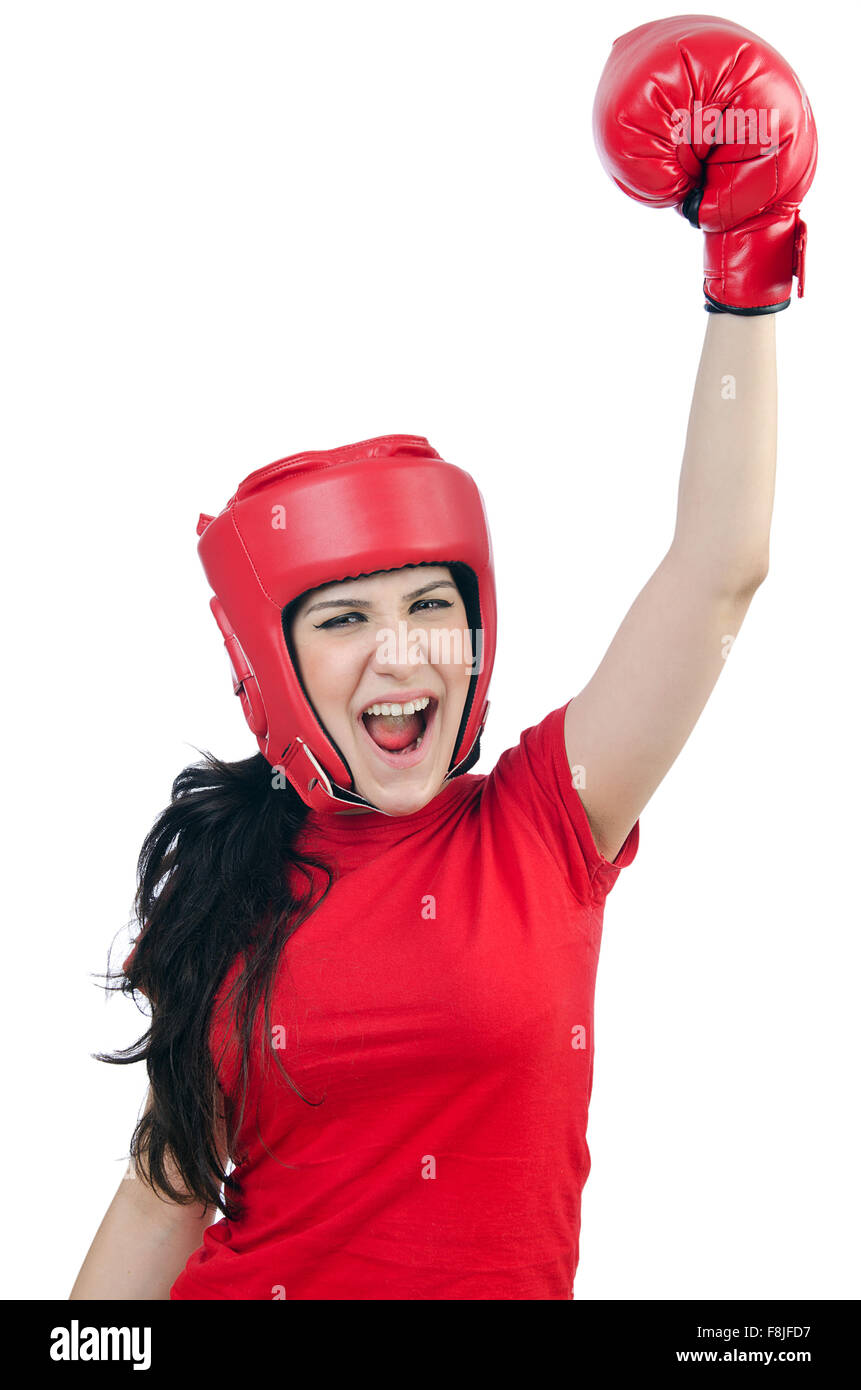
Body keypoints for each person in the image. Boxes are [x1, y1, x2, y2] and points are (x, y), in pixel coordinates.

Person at [70, 15, 817, 1301]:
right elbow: (163, 1190)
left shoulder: (544, 824)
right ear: (273, 665)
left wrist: (745, 270)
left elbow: (717, 570)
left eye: (430, 604)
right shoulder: (226, 887)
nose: (401, 652)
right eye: (344, 619)